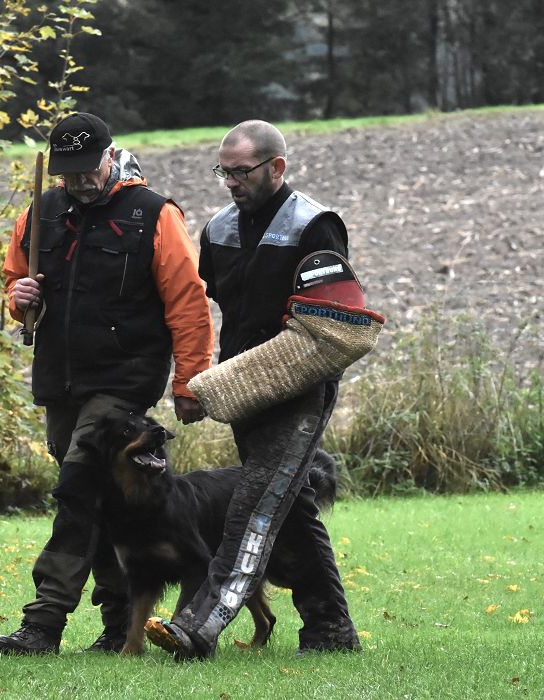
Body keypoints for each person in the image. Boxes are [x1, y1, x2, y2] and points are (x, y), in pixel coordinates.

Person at [0, 112, 213, 656]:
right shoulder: (40, 213)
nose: (81, 181)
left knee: (77, 490)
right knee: (103, 504)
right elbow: (15, 283)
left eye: (90, 169)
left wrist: (190, 381)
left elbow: (187, 302)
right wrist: (17, 299)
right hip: (61, 381)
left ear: (111, 157)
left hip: (124, 380)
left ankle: (43, 624)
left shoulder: (153, 215)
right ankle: (118, 627)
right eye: (69, 173)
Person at [144, 120, 362, 659]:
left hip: (300, 390)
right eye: (224, 172)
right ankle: (330, 629)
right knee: (290, 507)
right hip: (245, 389)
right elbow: (212, 305)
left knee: (254, 504)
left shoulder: (316, 225)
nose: (230, 182)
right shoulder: (218, 230)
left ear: (276, 167)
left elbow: (338, 322)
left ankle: (200, 625)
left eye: (241, 172)